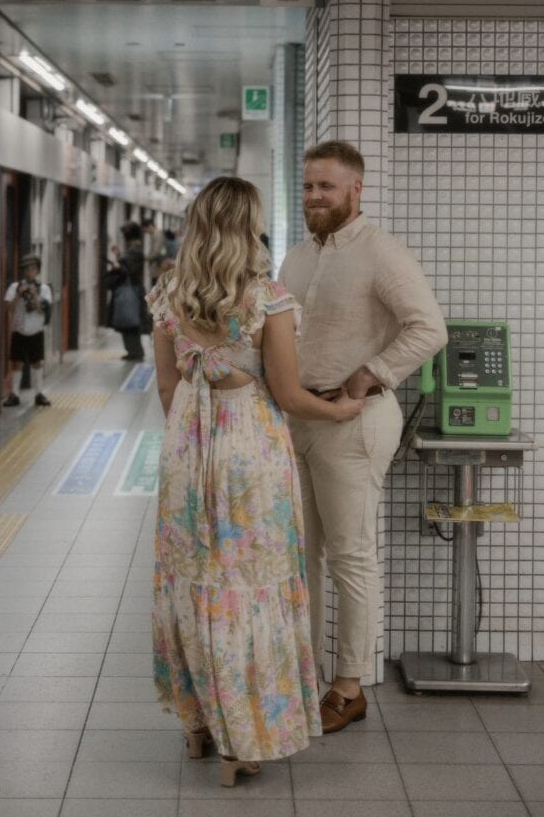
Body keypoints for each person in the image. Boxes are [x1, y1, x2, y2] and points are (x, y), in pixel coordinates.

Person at [147, 176, 364, 787]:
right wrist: (341, 411)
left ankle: (197, 725)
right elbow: (290, 394)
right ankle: (241, 742)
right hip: (251, 448)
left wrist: (194, 442)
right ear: (248, 225)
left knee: (195, 578)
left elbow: (167, 387)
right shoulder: (268, 297)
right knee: (249, 583)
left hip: (188, 442)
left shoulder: (168, 294)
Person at [279, 140, 447, 733]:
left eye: (326, 186)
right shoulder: (297, 257)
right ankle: (304, 675)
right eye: (307, 186)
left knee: (351, 554)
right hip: (299, 417)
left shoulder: (382, 252)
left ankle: (348, 686)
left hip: (355, 419)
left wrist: (371, 373)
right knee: (302, 554)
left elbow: (430, 327)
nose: (314, 196)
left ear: (357, 189)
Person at [2, 253, 52, 407]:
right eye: (26, 269)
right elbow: (8, 308)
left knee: (37, 363)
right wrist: (19, 295)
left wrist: (34, 294)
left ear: (37, 271)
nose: (29, 272)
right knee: (17, 362)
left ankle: (39, 393)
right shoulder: (14, 287)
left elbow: (42, 310)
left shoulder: (44, 289)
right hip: (19, 331)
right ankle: (14, 394)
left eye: (33, 269)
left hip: (36, 332)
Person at [109, 220, 149, 361]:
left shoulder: (134, 250)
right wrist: (119, 256)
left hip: (132, 290)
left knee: (130, 320)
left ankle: (135, 351)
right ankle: (134, 351)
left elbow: (129, 270)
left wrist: (117, 266)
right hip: (134, 289)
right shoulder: (135, 249)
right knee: (130, 321)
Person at [142, 217, 166, 287]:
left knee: (156, 286)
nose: (146, 232)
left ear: (150, 226)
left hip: (158, 265)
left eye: (145, 229)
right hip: (157, 265)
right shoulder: (156, 234)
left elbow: (156, 251)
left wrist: (146, 258)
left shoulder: (157, 235)